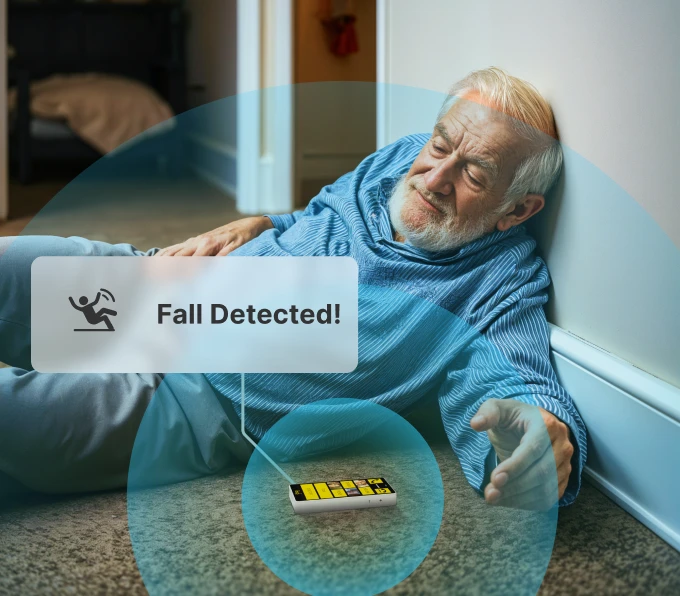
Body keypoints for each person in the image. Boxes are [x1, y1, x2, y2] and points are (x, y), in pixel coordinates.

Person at [0, 68, 585, 510]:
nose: (434, 177)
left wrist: (538, 439)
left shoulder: (501, 281)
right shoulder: (404, 157)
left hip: (195, 401)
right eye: (440, 146)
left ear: (518, 209)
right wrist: (261, 224)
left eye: (473, 175)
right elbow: (319, 212)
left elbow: (517, 388)